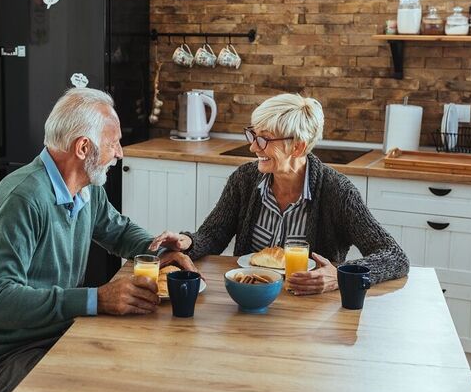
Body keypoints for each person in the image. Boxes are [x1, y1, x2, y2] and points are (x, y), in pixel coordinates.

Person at [0, 88, 194, 392]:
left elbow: (118, 231)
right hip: (2, 358)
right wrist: (96, 299)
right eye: (114, 143)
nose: (120, 153)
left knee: (139, 374)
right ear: (84, 147)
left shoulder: (84, 188)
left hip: (54, 333)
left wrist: (161, 250)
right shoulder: (24, 199)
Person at [151, 93, 408, 293]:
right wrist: (189, 242)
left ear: (297, 147)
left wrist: (341, 274)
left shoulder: (337, 192)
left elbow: (394, 256)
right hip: (249, 297)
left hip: (309, 310)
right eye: (253, 134)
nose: (253, 147)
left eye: (264, 139)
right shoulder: (245, 179)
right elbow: (213, 235)